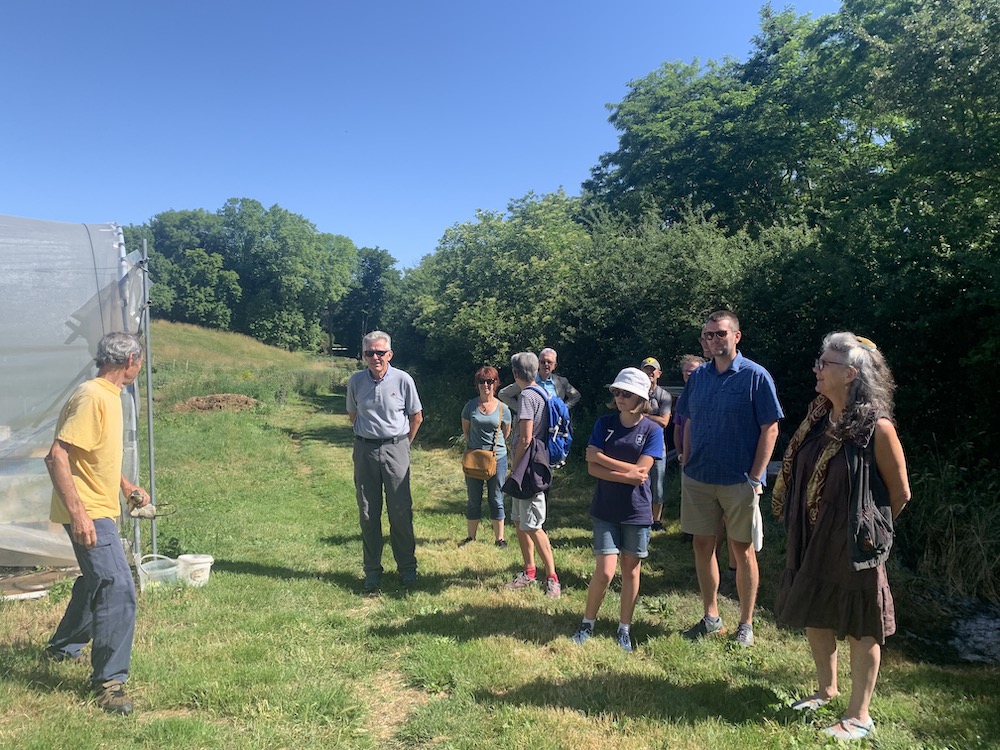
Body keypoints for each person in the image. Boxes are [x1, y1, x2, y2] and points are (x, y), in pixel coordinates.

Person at [772, 333, 910, 741]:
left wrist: (870, 528)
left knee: (861, 623)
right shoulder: (817, 419)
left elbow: (900, 492)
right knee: (816, 609)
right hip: (813, 535)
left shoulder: (876, 429)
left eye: (824, 363)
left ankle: (859, 715)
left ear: (850, 374)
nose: (817, 368)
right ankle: (826, 690)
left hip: (854, 545)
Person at [44, 332, 151, 715]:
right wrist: (79, 515)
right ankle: (110, 682)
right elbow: (57, 456)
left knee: (96, 581)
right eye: (141, 360)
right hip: (89, 512)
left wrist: (125, 485)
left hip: (102, 507)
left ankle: (63, 647)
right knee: (117, 587)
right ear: (131, 360)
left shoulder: (112, 396)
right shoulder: (93, 396)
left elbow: (94, 454)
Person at [676, 310, 783, 646]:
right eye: (707, 335)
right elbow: (689, 420)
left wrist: (755, 477)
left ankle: (746, 625)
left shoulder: (756, 376)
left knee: (743, 551)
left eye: (720, 334)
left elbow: (771, 427)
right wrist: (687, 460)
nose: (713, 340)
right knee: (702, 545)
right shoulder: (699, 378)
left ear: (736, 336)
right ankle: (711, 617)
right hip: (699, 477)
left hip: (739, 480)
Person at [571, 368, 663, 652]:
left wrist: (604, 460)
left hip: (637, 511)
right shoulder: (604, 423)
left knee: (631, 571)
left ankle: (624, 628)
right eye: (617, 392)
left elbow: (644, 471)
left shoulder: (653, 430)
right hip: (605, 508)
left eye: (626, 393)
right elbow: (591, 466)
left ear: (640, 397)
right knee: (605, 571)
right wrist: (628, 474)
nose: (620, 397)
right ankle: (588, 622)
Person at [346, 330, 424, 594]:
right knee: (368, 512)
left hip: (395, 448)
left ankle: (408, 568)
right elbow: (353, 414)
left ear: (390, 354)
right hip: (365, 450)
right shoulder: (356, 381)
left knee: (400, 511)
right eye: (370, 353)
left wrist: (402, 445)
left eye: (380, 352)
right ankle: (372, 571)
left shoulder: (403, 380)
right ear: (363, 355)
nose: (375, 357)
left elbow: (416, 417)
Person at [503, 352, 561, 598]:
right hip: (534, 463)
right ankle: (529, 571)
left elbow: (526, 438)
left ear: (516, 374)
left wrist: (513, 468)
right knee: (519, 520)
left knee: (534, 526)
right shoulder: (543, 392)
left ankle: (552, 578)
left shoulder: (527, 395)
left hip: (528, 467)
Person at [498, 347, 580, 465]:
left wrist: (562, 409)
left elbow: (575, 396)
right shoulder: (529, 381)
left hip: (549, 431)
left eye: (549, 362)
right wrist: (522, 409)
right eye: (542, 362)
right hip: (530, 429)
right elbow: (503, 394)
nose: (546, 365)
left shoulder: (560, 382)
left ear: (555, 365)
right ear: (537, 365)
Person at [460, 366, 512, 548]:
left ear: (496, 383)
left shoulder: (503, 409)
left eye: (489, 381)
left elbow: (506, 433)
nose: (486, 385)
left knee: (496, 497)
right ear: (477, 385)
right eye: (482, 382)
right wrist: (477, 449)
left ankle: (500, 539)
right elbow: (466, 431)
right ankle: (470, 537)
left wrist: (491, 450)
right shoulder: (470, 406)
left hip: (497, 459)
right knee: (473, 498)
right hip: (474, 458)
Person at [640, 357, 672, 532]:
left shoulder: (663, 395)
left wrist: (644, 417)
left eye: (653, 370)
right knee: (639, 481)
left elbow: (665, 422)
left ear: (659, 373)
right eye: (647, 369)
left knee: (657, 484)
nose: (650, 373)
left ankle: (656, 520)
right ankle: (641, 516)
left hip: (658, 446)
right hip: (636, 445)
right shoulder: (636, 392)